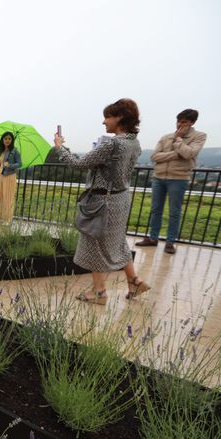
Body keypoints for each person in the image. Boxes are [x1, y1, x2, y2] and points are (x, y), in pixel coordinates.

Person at [53, 98, 150, 305]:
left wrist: (60, 147)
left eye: (108, 117)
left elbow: (79, 164)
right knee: (117, 241)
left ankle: (99, 293)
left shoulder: (112, 144)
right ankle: (135, 281)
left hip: (103, 201)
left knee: (94, 241)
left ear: (120, 117)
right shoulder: (134, 143)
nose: (104, 122)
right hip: (121, 198)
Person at [135, 109, 207, 254]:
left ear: (192, 123)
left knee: (174, 212)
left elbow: (189, 154)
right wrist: (176, 154)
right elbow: (155, 157)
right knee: (156, 210)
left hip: (178, 179)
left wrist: (179, 140)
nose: (180, 124)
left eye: (184, 122)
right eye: (178, 121)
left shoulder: (199, 136)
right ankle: (153, 238)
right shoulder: (166, 137)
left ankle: (170, 242)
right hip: (159, 177)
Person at [0, 131, 22, 223]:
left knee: (8, 198)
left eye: (9, 139)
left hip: (9, 176)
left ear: (12, 140)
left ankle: (7, 219)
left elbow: (20, 164)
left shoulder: (14, 151)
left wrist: (10, 165)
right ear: (2, 140)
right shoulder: (1, 152)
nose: (7, 140)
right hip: (0, 176)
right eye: (5, 138)